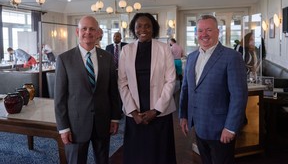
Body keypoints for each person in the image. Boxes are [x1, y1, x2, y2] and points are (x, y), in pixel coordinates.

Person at [179, 15, 248, 164]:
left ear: (218, 32)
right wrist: (183, 115)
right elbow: (186, 89)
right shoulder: (191, 57)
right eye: (200, 30)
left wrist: (230, 128)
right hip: (198, 125)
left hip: (221, 129)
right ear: (196, 33)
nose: (204, 34)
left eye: (209, 30)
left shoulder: (232, 57)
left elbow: (239, 96)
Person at [54, 15, 121, 164]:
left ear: (98, 33)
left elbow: (113, 92)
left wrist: (115, 118)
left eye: (92, 29)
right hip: (75, 126)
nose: (88, 32)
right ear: (77, 32)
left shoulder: (108, 58)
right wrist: (63, 128)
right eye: (84, 28)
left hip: (102, 123)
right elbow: (59, 98)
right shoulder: (64, 59)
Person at [118, 13, 177, 164]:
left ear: (153, 28)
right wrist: (133, 112)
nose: (143, 29)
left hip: (160, 112)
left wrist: (156, 110)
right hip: (135, 113)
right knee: (137, 155)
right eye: (139, 26)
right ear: (133, 29)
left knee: (160, 155)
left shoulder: (164, 49)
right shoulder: (126, 50)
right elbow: (122, 82)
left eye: (147, 26)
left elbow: (170, 81)